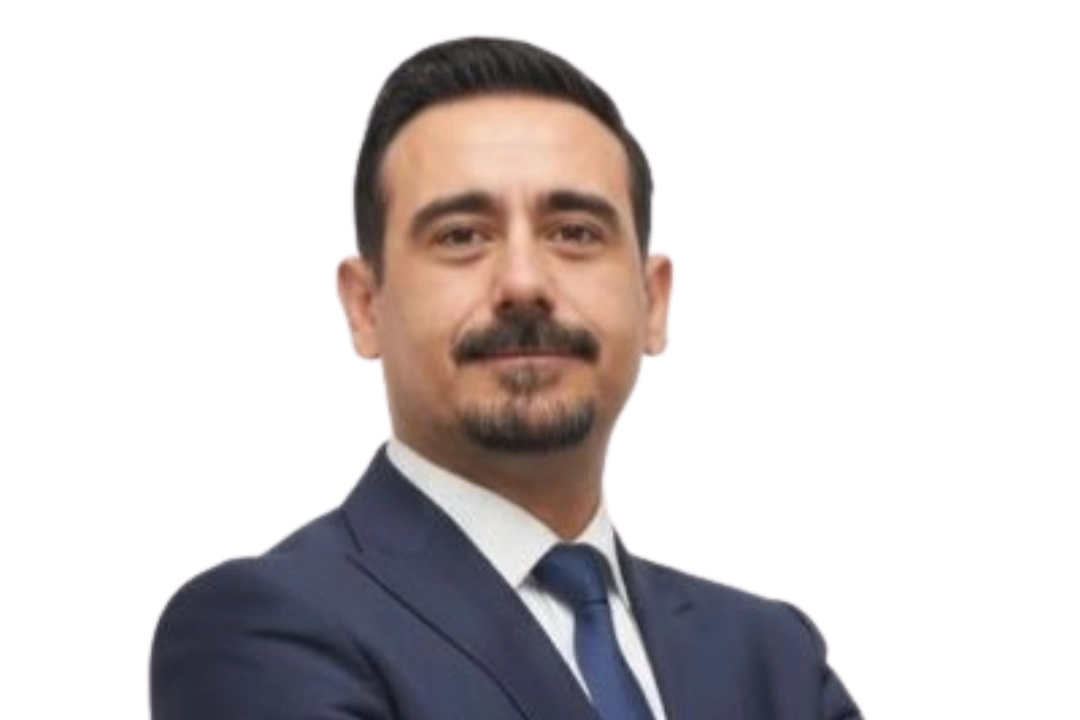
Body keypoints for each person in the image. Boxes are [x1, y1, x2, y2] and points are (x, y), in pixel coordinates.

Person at [150, 37, 862, 720]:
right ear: (365, 306)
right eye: (461, 235)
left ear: (654, 301)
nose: (524, 283)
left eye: (575, 232)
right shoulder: (264, 632)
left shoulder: (774, 658)